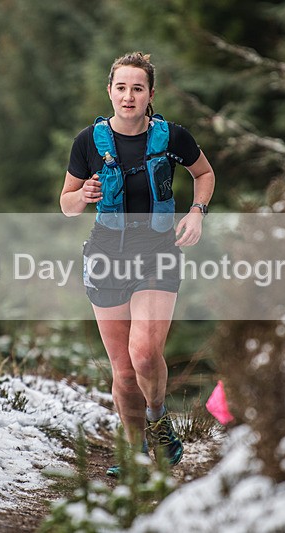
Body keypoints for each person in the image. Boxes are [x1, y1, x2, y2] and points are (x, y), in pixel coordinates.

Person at [59, 52, 215, 477]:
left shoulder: (173, 137)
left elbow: (204, 174)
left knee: (144, 354)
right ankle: (134, 451)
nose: (129, 96)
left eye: (138, 88)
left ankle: (159, 420)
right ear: (110, 91)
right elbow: (66, 204)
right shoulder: (88, 142)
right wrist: (82, 195)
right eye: (122, 87)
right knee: (124, 372)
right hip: (106, 256)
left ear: (150, 94)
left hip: (157, 253)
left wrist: (197, 212)